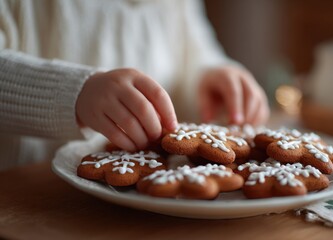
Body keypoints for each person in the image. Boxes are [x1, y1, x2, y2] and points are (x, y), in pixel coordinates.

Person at [0, 0, 269, 170]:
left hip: (146, 212)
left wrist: (211, 74)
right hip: (27, 193)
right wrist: (74, 93)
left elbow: (194, 52)